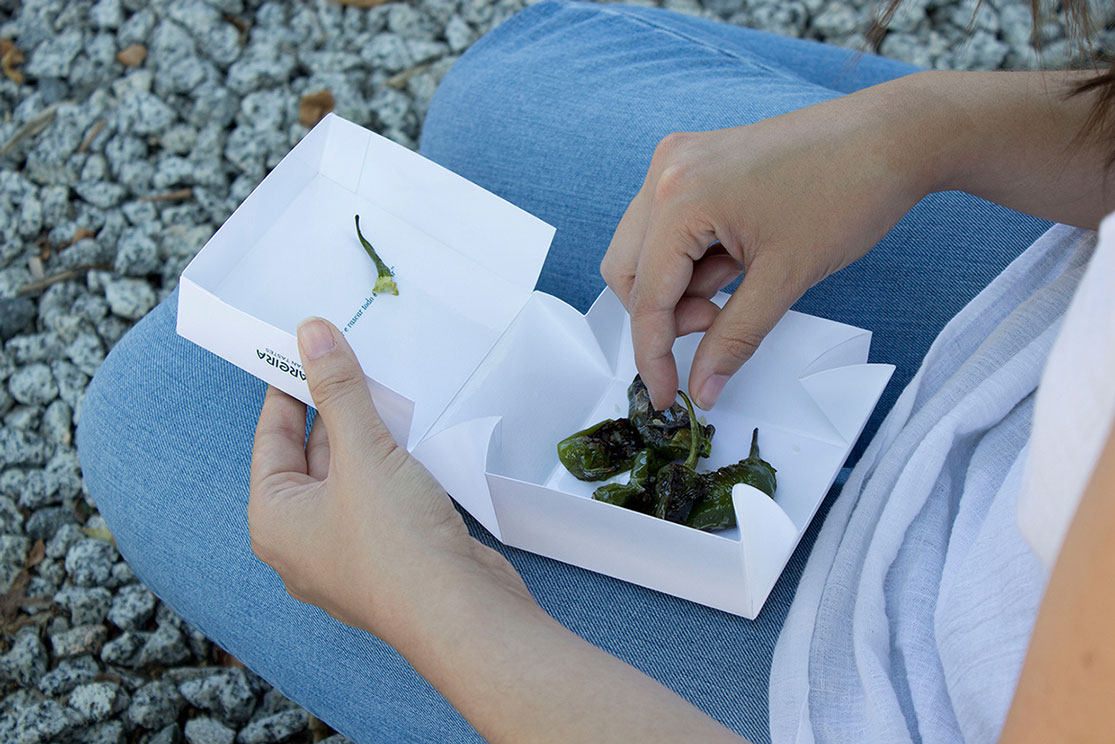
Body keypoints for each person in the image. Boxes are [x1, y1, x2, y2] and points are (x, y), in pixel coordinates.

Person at [78, 2, 1115, 742]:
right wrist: (916, 133)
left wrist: (441, 609)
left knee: (156, 410)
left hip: (887, 685)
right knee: (502, 86)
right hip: (1030, 343)